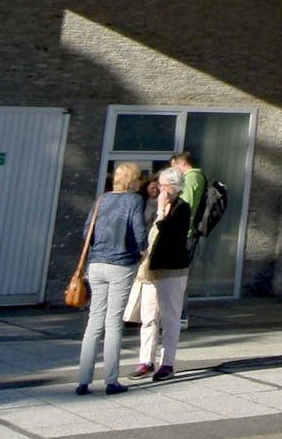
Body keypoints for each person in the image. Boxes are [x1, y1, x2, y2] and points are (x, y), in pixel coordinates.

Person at [72, 163, 147, 395]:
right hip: (121, 265)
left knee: (94, 321)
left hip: (96, 264)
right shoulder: (134, 201)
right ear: (134, 180)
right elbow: (140, 234)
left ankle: (83, 379)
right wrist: (141, 249)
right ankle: (111, 380)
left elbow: (87, 233)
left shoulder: (101, 200)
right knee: (114, 323)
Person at [131, 169, 193, 380]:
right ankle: (145, 360)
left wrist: (160, 212)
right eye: (160, 185)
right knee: (148, 317)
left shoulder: (182, 208)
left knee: (170, 317)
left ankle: (167, 363)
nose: (160, 189)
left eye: (164, 185)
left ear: (174, 187)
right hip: (150, 268)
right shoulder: (153, 204)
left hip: (172, 269)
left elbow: (170, 233)